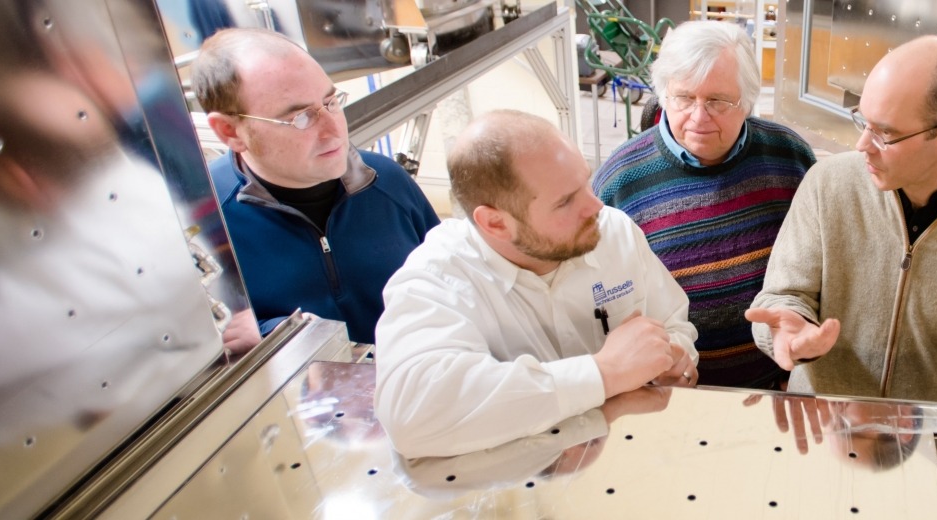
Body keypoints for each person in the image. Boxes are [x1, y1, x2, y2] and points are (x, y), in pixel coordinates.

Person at [374, 110, 697, 458]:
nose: (596, 205)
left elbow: (674, 323)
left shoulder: (614, 232)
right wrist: (604, 372)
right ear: (495, 223)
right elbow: (412, 416)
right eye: (565, 201)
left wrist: (673, 358)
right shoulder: (437, 278)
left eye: (585, 182)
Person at [745, 36, 937, 403]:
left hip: (930, 443)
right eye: (863, 120)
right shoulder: (827, 185)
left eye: (885, 133)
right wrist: (790, 332)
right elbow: (784, 294)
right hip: (824, 427)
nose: (862, 145)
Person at [592, 21, 815, 390]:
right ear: (664, 95)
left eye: (717, 101)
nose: (698, 117)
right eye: (684, 98)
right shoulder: (618, 182)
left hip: (779, 385)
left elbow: (817, 263)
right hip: (671, 392)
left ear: (747, 100)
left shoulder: (789, 156)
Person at [195, 28, 440, 347]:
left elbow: (455, 283)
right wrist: (274, 335)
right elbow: (195, 347)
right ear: (230, 131)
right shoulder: (204, 226)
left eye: (331, 102)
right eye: (300, 118)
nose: (334, 130)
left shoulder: (387, 181)